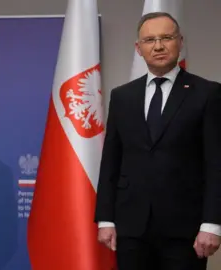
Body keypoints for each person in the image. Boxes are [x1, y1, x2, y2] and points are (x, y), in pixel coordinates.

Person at [94, 11, 221, 270]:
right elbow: (111, 161)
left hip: (185, 229)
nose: (159, 46)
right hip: (131, 228)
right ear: (138, 48)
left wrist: (212, 224)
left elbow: (216, 164)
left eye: (166, 37)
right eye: (150, 40)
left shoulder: (207, 93)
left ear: (180, 41)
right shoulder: (122, 97)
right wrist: (106, 219)